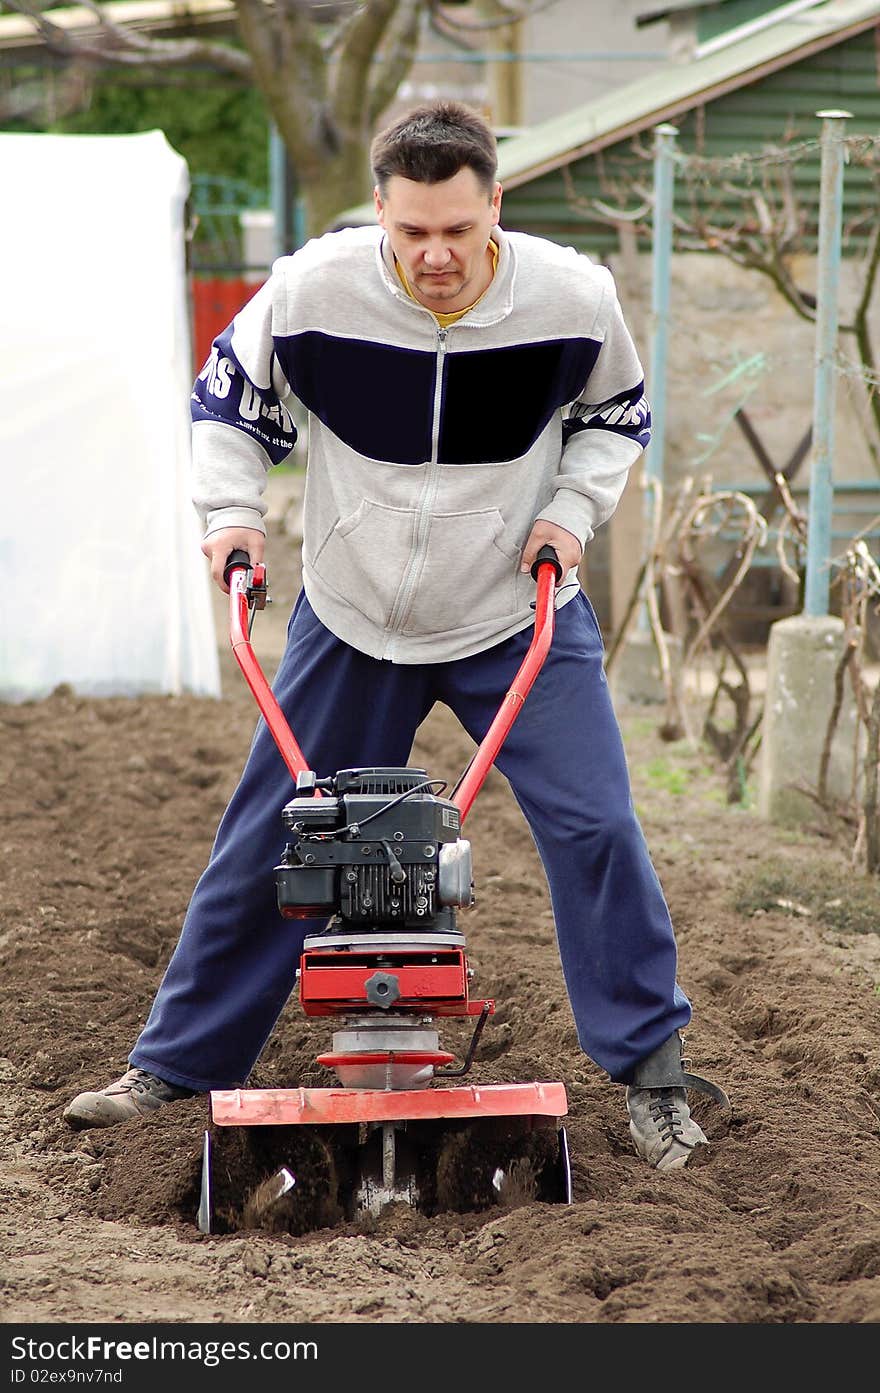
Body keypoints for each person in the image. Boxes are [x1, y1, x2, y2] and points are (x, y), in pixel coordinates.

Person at [64, 99, 727, 1171]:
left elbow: (614, 420)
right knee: (275, 833)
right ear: (378, 210)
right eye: (410, 230)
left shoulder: (571, 297)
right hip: (354, 609)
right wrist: (231, 517)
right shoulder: (313, 290)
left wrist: (569, 513)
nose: (433, 255)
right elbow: (231, 407)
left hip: (515, 609)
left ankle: (654, 1079)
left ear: (493, 206)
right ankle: (177, 1063)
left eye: (457, 232)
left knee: (598, 829)